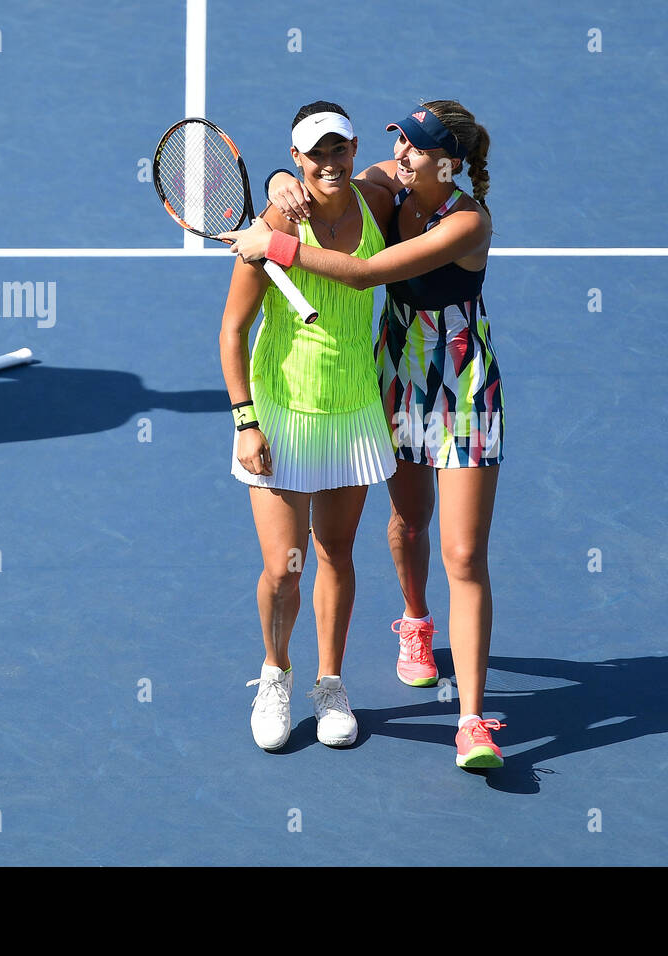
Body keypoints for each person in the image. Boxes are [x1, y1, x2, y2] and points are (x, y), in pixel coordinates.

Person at [225, 100, 506, 770]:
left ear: (449, 161)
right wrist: (273, 186)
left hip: (449, 386)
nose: (398, 154)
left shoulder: (459, 218)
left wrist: (277, 245)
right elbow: (323, 183)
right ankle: (384, 635)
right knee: (391, 528)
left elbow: (366, 273)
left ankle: (443, 712)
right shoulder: (385, 185)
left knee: (435, 554)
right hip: (376, 382)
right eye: (399, 142)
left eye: (412, 146)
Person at [218, 101, 395, 752]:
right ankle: (276, 672)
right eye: (314, 154)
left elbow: (408, 168)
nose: (329, 162)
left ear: (353, 150)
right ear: (298, 159)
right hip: (281, 414)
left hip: (352, 410)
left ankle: (331, 681)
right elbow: (231, 332)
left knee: (337, 554)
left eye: (339, 149)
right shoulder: (272, 224)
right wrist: (246, 423)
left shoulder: (375, 199)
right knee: (284, 568)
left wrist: (269, 174)